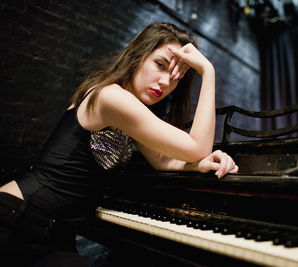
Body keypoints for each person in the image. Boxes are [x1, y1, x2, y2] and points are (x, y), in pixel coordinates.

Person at [0, 22, 238, 266]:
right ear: (137, 55)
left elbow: (161, 160)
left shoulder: (127, 109)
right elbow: (197, 146)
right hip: (18, 221)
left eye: (176, 76)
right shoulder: (111, 97)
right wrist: (208, 71)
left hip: (51, 231)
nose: (166, 81)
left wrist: (197, 166)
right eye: (160, 65)